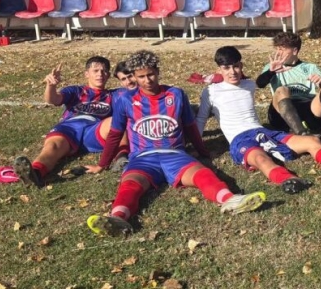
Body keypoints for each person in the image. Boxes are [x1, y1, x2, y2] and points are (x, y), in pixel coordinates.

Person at [84, 50, 265, 236]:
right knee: (130, 185)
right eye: (141, 77)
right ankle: (118, 218)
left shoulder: (176, 94)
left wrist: (203, 152)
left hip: (175, 155)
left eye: (151, 74)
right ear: (135, 77)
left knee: (203, 174)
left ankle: (230, 199)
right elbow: (115, 134)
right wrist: (102, 164)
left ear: (158, 71)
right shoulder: (125, 99)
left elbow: (190, 127)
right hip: (143, 158)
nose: (147, 80)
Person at [198, 47, 321, 194]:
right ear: (219, 69)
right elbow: (201, 119)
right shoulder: (210, 92)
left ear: (241, 65)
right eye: (226, 68)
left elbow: (260, 82)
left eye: (236, 66)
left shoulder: (248, 85)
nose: (232, 72)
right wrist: (196, 146)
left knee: (312, 141)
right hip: (240, 138)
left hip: (263, 131)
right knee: (260, 158)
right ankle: (287, 180)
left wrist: (271, 72)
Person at [13, 57, 122, 187]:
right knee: (53, 146)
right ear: (86, 74)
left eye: (104, 71)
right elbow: (53, 100)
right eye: (95, 70)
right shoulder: (76, 91)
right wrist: (51, 86)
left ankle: (123, 159)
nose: (100, 74)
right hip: (70, 128)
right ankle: (35, 173)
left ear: (108, 75)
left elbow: (136, 94)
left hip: (95, 130)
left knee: (116, 121)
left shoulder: (114, 95)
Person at [257, 32, 321, 136]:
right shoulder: (272, 67)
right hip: (280, 112)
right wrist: (271, 72)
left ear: (294, 51)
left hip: (307, 107)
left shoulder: (310, 67)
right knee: (282, 90)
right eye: (277, 49)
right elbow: (260, 84)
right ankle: (301, 133)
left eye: (282, 49)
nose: (278, 53)